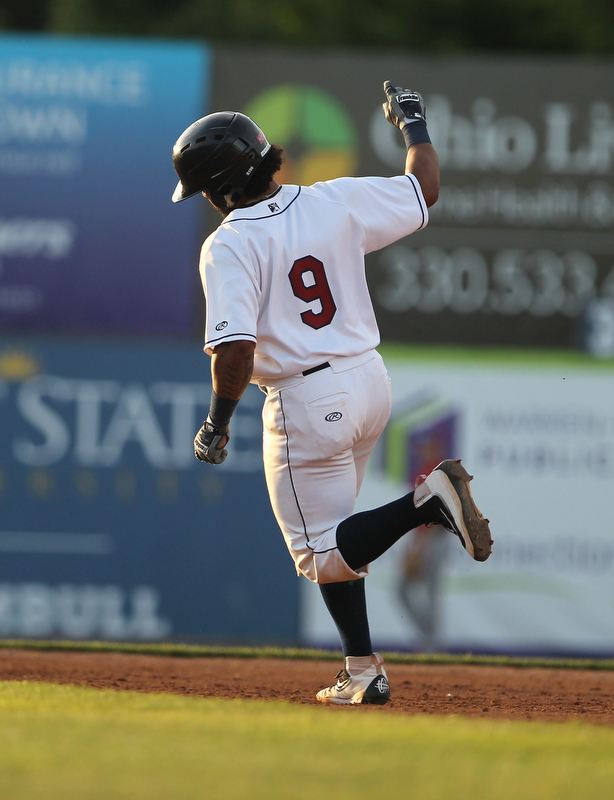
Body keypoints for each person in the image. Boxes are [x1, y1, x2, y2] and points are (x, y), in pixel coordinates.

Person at [171, 82, 493, 706]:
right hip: (368, 380)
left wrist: (217, 421)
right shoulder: (333, 200)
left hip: (306, 399)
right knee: (342, 541)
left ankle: (429, 503)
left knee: (320, 553)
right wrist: (414, 126)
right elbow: (423, 190)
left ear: (217, 186)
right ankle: (363, 670)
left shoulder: (230, 243)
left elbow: (235, 349)